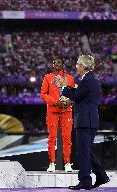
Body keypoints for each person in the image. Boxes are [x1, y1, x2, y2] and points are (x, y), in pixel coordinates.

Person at [59, 55, 109, 190]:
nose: (76, 66)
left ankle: (85, 181)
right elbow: (80, 93)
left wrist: (64, 88)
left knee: (83, 152)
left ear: (83, 66)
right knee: (87, 151)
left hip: (85, 121)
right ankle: (101, 176)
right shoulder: (91, 79)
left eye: (77, 64)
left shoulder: (87, 80)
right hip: (90, 120)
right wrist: (68, 87)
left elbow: (77, 96)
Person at [41, 58, 75, 172]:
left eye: (59, 62)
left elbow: (74, 95)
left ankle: (67, 163)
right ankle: (51, 163)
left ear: (63, 64)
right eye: (54, 62)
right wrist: (56, 102)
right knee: (52, 138)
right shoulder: (48, 77)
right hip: (53, 111)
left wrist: (70, 101)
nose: (56, 64)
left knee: (67, 139)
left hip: (66, 111)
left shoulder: (69, 78)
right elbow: (43, 95)